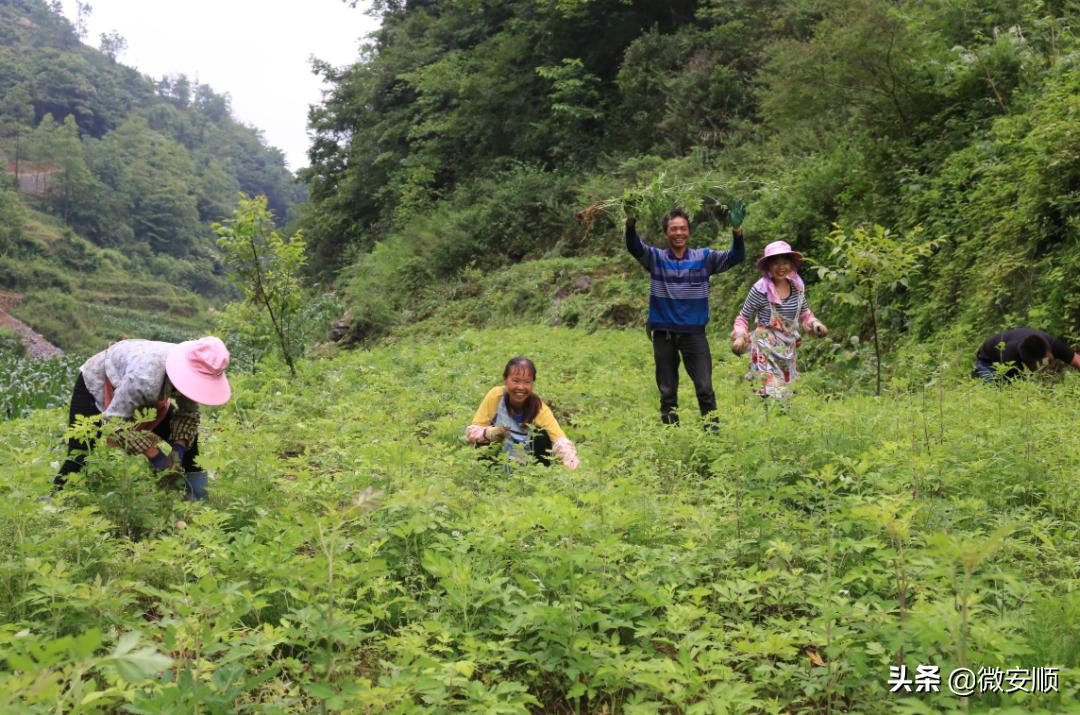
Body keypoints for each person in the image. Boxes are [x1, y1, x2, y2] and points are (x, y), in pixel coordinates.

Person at [53, 336, 232, 500]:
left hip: (145, 391)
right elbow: (115, 422)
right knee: (80, 452)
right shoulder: (144, 377)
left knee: (190, 442)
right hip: (98, 382)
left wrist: (178, 450)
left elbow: (188, 414)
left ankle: (198, 499)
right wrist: (157, 458)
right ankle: (55, 501)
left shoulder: (194, 367)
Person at [625, 205, 745, 425]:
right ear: (666, 233)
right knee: (667, 390)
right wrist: (631, 222)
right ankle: (672, 436)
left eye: (683, 228)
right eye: (673, 229)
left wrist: (737, 231)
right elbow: (634, 247)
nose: (678, 233)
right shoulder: (656, 258)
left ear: (689, 231)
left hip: (694, 334)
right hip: (664, 334)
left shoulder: (704, 258)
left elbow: (736, 257)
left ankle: (712, 435)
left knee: (705, 388)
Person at [731, 241, 827, 399]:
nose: (781, 267)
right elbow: (743, 317)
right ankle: (763, 418)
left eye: (785, 262)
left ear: (791, 264)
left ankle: (781, 421)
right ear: (768, 265)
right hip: (765, 347)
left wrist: (815, 324)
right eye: (775, 263)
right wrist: (740, 336)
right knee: (770, 390)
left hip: (788, 347)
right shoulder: (760, 289)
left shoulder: (797, 287)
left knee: (787, 393)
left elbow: (805, 314)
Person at [466, 357, 579, 470]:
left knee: (541, 437)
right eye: (515, 381)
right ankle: (488, 474)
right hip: (499, 454)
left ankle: (538, 475)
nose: (521, 387)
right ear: (505, 380)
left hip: (527, 458)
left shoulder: (539, 409)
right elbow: (474, 431)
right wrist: (490, 433)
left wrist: (570, 459)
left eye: (527, 382)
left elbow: (559, 440)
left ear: (532, 384)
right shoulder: (496, 396)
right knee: (483, 441)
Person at [971, 327, 1080, 382]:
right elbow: (1012, 388)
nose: (1047, 365)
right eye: (1040, 364)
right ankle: (978, 375)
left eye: (1047, 361)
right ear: (1027, 363)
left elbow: (1077, 360)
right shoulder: (1010, 357)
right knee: (995, 393)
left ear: (1049, 350)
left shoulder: (1052, 344)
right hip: (988, 361)